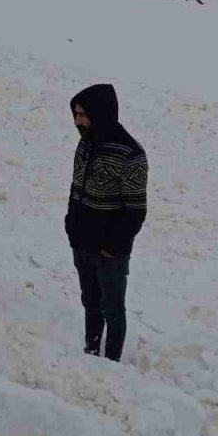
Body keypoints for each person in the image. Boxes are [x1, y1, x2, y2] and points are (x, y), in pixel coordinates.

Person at [64, 84, 148, 362]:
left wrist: (113, 246)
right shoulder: (85, 143)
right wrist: (71, 224)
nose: (78, 121)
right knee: (90, 302)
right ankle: (90, 353)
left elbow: (135, 210)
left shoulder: (130, 154)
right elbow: (76, 188)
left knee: (112, 308)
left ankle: (111, 363)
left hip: (109, 251)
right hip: (82, 241)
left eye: (83, 115)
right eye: (76, 114)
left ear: (101, 114)